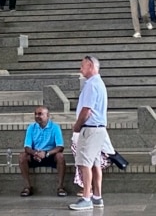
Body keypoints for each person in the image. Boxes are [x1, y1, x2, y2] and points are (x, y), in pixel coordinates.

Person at [69, 55, 108, 211]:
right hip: (99, 129)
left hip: (90, 129)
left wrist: (77, 127)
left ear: (91, 66)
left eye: (83, 66)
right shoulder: (99, 83)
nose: (81, 69)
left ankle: (86, 197)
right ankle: (97, 197)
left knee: (85, 164)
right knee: (95, 163)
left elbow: (87, 110)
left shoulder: (92, 84)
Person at [18, 105, 67, 198]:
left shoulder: (55, 127)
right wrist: (35, 153)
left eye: (40, 114)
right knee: (22, 157)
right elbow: (27, 147)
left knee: (60, 156)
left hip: (50, 155)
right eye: (35, 114)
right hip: (35, 155)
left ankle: (60, 187)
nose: (37, 116)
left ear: (48, 115)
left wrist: (46, 153)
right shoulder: (31, 127)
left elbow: (60, 147)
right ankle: (27, 187)